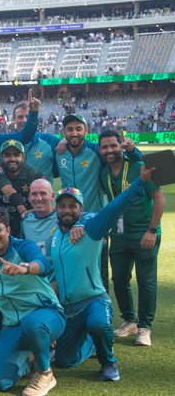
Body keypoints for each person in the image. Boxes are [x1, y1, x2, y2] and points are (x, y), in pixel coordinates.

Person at [50, 165, 155, 381]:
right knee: (64, 361)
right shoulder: (54, 235)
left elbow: (114, 208)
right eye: (62, 206)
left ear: (81, 209)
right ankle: (90, 342)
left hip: (93, 301)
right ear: (56, 209)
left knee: (98, 323)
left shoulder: (90, 227)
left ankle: (108, 364)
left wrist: (141, 182)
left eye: (73, 206)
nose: (67, 210)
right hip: (68, 309)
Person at [0, 206, 65, 396]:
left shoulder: (24, 247)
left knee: (32, 324)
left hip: (46, 315)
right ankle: (34, 355)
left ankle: (45, 373)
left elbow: (43, 264)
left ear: (8, 230)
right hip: (12, 325)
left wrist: (25, 268)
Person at [54, 113, 142, 291]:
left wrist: (133, 150)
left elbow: (128, 159)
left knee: (99, 268)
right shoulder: (58, 152)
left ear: (86, 130)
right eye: (70, 129)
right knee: (69, 265)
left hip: (95, 220)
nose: (74, 133)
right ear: (63, 132)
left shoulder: (96, 150)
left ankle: (103, 309)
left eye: (79, 129)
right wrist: (60, 142)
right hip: (67, 219)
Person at [98, 130, 163, 346]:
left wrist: (152, 231)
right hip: (119, 235)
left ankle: (144, 327)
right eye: (104, 147)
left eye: (113, 146)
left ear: (121, 145)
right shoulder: (103, 171)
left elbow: (158, 196)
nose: (109, 150)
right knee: (119, 280)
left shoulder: (137, 166)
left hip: (145, 233)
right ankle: (129, 320)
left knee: (146, 282)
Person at [0, 140, 44, 236]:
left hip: (27, 220)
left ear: (23, 157)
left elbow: (44, 198)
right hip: (1, 221)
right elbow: (8, 192)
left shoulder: (33, 174)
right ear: (1, 157)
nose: (12, 159)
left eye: (16, 155)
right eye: (8, 155)